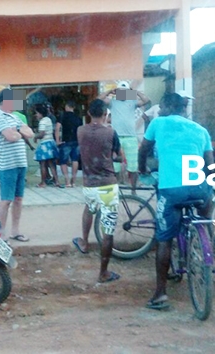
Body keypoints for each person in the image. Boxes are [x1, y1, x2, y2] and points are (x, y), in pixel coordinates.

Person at [138, 93, 214, 311]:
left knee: (164, 239)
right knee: (204, 218)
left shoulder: (158, 123)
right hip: (199, 188)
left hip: (171, 190)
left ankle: (160, 294)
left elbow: (144, 149)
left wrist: (141, 168)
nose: (159, 111)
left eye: (161, 107)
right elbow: (209, 166)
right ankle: (205, 247)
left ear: (170, 106)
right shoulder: (201, 130)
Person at [72, 98, 124, 283]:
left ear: (88, 114)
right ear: (105, 115)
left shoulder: (80, 131)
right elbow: (119, 156)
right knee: (108, 230)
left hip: (89, 184)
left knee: (89, 209)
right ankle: (103, 272)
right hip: (108, 185)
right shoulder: (111, 132)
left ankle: (84, 242)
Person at [0, 88, 35, 243]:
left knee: (18, 199)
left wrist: (18, 131)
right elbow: (10, 137)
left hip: (20, 163)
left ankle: (15, 231)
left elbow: (30, 133)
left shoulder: (15, 117)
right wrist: (18, 131)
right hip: (7, 165)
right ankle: (1, 234)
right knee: (6, 200)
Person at [99, 81, 151, 194]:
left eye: (124, 92)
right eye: (120, 91)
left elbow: (146, 100)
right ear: (117, 92)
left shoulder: (132, 102)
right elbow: (99, 99)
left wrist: (135, 92)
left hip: (131, 137)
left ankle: (133, 190)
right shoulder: (113, 102)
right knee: (115, 167)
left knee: (133, 166)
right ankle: (115, 190)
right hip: (116, 137)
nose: (122, 94)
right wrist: (109, 91)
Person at [33, 103, 61, 188]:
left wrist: (35, 137)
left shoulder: (42, 122)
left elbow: (42, 134)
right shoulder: (48, 119)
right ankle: (57, 181)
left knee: (43, 164)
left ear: (41, 113)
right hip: (51, 143)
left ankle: (43, 182)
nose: (36, 115)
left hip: (44, 144)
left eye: (37, 113)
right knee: (51, 164)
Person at [56, 100, 83, 188]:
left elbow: (57, 128)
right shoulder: (78, 117)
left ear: (66, 107)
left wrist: (57, 140)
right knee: (75, 160)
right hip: (76, 141)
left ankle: (67, 181)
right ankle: (73, 181)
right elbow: (80, 130)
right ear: (74, 108)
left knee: (63, 161)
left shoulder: (62, 116)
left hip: (65, 141)